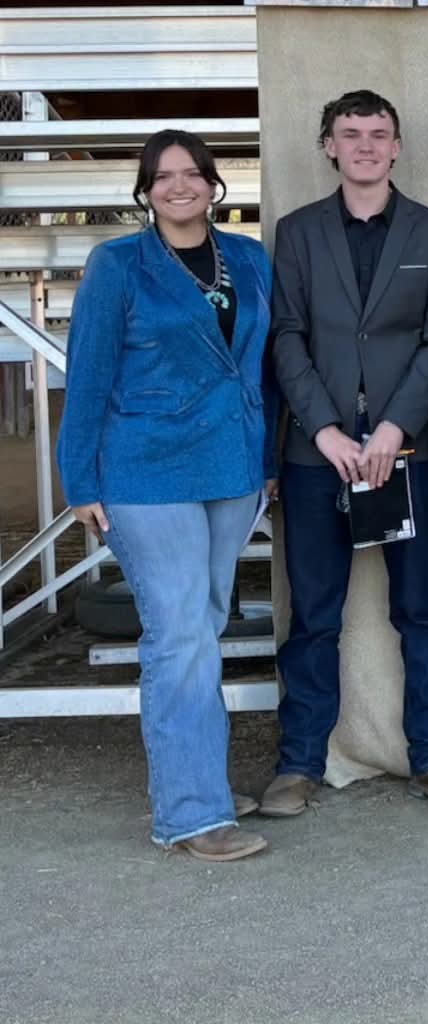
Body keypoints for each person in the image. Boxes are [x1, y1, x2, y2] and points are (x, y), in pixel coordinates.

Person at [57, 130, 276, 861]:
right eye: (163, 177)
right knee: (179, 634)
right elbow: (86, 374)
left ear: (214, 184)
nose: (178, 186)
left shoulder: (247, 257)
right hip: (145, 471)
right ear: (145, 191)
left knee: (202, 626)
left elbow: (262, 369)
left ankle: (200, 778)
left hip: (232, 467)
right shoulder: (118, 264)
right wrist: (78, 478)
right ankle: (191, 814)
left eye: (192, 174)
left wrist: (268, 455)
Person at [261, 89, 428, 816]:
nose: (364, 145)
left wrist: (394, 431)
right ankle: (299, 761)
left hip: (405, 455)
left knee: (421, 609)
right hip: (313, 452)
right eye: (349, 134)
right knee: (314, 613)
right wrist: (323, 430)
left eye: (378, 134)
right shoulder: (294, 233)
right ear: (328, 145)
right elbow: (285, 335)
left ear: (396, 146)